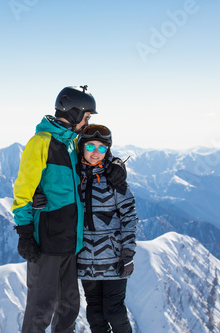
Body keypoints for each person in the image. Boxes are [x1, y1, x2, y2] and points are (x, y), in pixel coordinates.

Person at [11, 86, 127, 333]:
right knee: (40, 309)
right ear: (74, 113)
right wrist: (24, 232)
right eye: (86, 116)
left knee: (69, 308)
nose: (87, 122)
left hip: (71, 244)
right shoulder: (41, 143)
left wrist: (116, 163)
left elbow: (98, 152)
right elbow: (23, 189)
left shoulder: (73, 143)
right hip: (46, 243)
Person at [76, 124, 139, 333]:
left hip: (113, 259)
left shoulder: (114, 178)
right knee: (95, 313)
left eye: (102, 148)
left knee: (114, 311)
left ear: (108, 150)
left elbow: (129, 215)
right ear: (81, 147)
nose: (95, 153)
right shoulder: (75, 176)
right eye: (91, 146)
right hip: (85, 259)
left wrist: (128, 252)